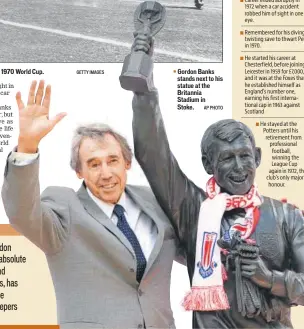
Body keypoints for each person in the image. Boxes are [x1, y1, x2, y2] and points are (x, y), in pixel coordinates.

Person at [130, 38, 304, 328]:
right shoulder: (194, 210)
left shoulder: (286, 217)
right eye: (226, 158)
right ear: (208, 165)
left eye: (244, 156)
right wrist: (144, 88)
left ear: (258, 157)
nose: (239, 167)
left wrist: (269, 278)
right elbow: (153, 156)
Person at [1, 80, 181, 329]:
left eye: (113, 160)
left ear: (127, 163)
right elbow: (22, 214)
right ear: (79, 171)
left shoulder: (156, 201)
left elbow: (198, 249)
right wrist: (27, 146)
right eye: (94, 164)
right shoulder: (65, 207)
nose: (106, 173)